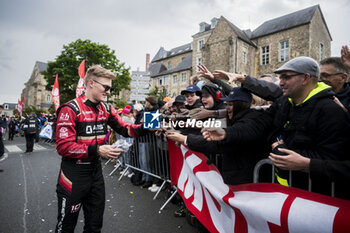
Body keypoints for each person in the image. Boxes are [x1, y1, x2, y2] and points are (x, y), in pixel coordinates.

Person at [202, 56, 350, 198]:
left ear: (306, 78)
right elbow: (258, 126)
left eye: (287, 77)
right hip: (283, 195)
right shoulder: (284, 102)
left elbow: (336, 159)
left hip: (316, 200)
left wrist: (305, 163)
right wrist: (226, 133)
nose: (280, 83)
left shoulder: (331, 111)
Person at [55, 65, 146, 233]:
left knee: (95, 226)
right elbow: (63, 146)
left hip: (95, 174)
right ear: (91, 83)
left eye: (110, 88)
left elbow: (125, 129)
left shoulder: (107, 109)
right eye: (106, 87)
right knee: (66, 227)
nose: (109, 92)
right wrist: (97, 150)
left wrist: (147, 127)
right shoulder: (70, 109)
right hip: (73, 175)